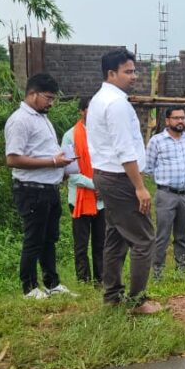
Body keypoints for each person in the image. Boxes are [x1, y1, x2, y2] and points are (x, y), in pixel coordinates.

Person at [87, 49, 162, 314]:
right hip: (120, 179)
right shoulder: (116, 103)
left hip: (107, 176)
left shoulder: (99, 99)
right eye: (128, 72)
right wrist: (140, 187)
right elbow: (124, 149)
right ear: (111, 74)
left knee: (116, 236)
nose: (134, 76)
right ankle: (137, 301)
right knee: (144, 239)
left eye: (134, 71)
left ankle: (112, 296)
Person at [5, 73, 77, 299]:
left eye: (53, 98)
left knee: (49, 239)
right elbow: (13, 159)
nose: (51, 102)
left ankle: (52, 284)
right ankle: (29, 288)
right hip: (31, 189)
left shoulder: (41, 117)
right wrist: (53, 162)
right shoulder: (20, 120)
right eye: (48, 97)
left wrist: (62, 168)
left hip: (50, 188)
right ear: (33, 94)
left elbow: (41, 151)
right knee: (34, 239)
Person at [145, 106, 185, 280]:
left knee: (181, 235)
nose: (180, 121)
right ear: (167, 121)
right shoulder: (156, 141)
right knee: (162, 235)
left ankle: (181, 270)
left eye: (183, 117)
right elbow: (148, 168)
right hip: (166, 195)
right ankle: (158, 273)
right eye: (176, 118)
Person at [62, 97, 106, 285]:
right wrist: (96, 184)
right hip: (79, 199)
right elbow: (71, 173)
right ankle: (83, 281)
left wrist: (104, 185)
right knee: (81, 245)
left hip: (101, 200)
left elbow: (109, 166)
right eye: (90, 109)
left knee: (101, 244)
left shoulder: (105, 136)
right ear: (82, 111)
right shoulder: (69, 136)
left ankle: (101, 279)